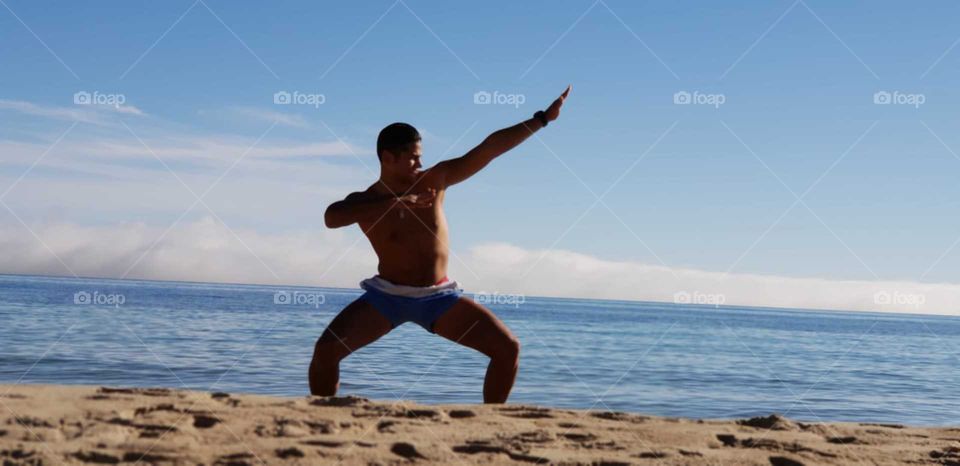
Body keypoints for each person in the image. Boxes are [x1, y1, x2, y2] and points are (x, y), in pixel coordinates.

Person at [309, 86, 571, 403]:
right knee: (325, 351)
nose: (420, 165)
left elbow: (489, 149)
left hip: (437, 297)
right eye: (413, 159)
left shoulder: (436, 181)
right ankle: (320, 415)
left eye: (421, 158)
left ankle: (490, 422)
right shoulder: (367, 200)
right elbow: (331, 218)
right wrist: (399, 202)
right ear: (388, 158)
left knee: (507, 348)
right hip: (387, 297)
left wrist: (542, 119)